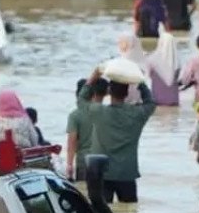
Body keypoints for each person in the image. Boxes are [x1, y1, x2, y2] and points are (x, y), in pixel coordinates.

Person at [81, 68, 156, 203]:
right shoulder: (137, 114)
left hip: (102, 172)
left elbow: (82, 100)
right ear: (127, 92)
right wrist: (140, 82)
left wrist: (93, 78)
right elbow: (150, 102)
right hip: (126, 173)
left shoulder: (98, 112)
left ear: (109, 92)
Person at [66, 79, 106, 181]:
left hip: (84, 162)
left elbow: (72, 141)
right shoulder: (104, 111)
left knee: (85, 194)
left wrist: (69, 164)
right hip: (104, 161)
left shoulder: (75, 115)